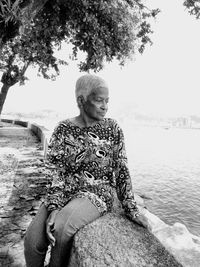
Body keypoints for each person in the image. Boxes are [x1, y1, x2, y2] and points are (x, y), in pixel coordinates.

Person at [24, 74, 149, 267]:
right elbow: (55, 170)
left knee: (62, 227)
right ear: (81, 100)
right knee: (32, 242)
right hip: (64, 190)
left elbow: (122, 169)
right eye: (99, 100)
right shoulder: (63, 128)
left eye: (107, 101)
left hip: (96, 192)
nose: (105, 106)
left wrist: (131, 209)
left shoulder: (112, 128)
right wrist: (54, 207)